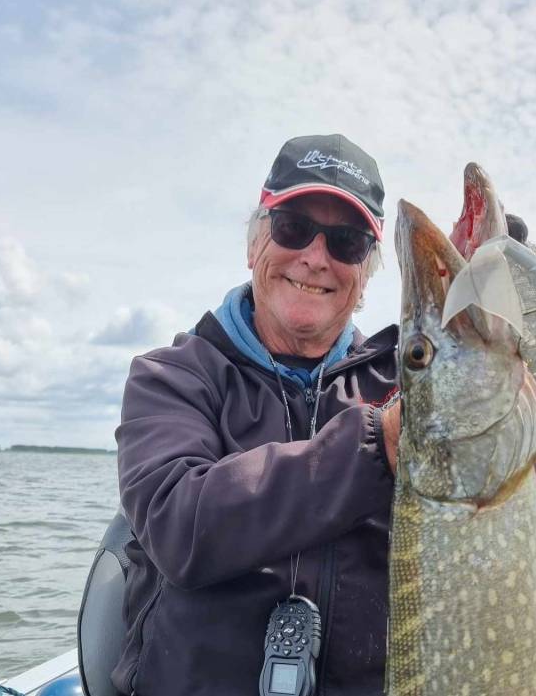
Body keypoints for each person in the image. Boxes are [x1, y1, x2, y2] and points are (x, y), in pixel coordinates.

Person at [112, 134, 402, 696]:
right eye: (293, 227)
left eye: (346, 242)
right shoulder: (171, 377)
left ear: (366, 273)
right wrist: (374, 447)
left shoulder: (402, 387)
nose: (316, 257)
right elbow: (180, 526)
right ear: (254, 244)